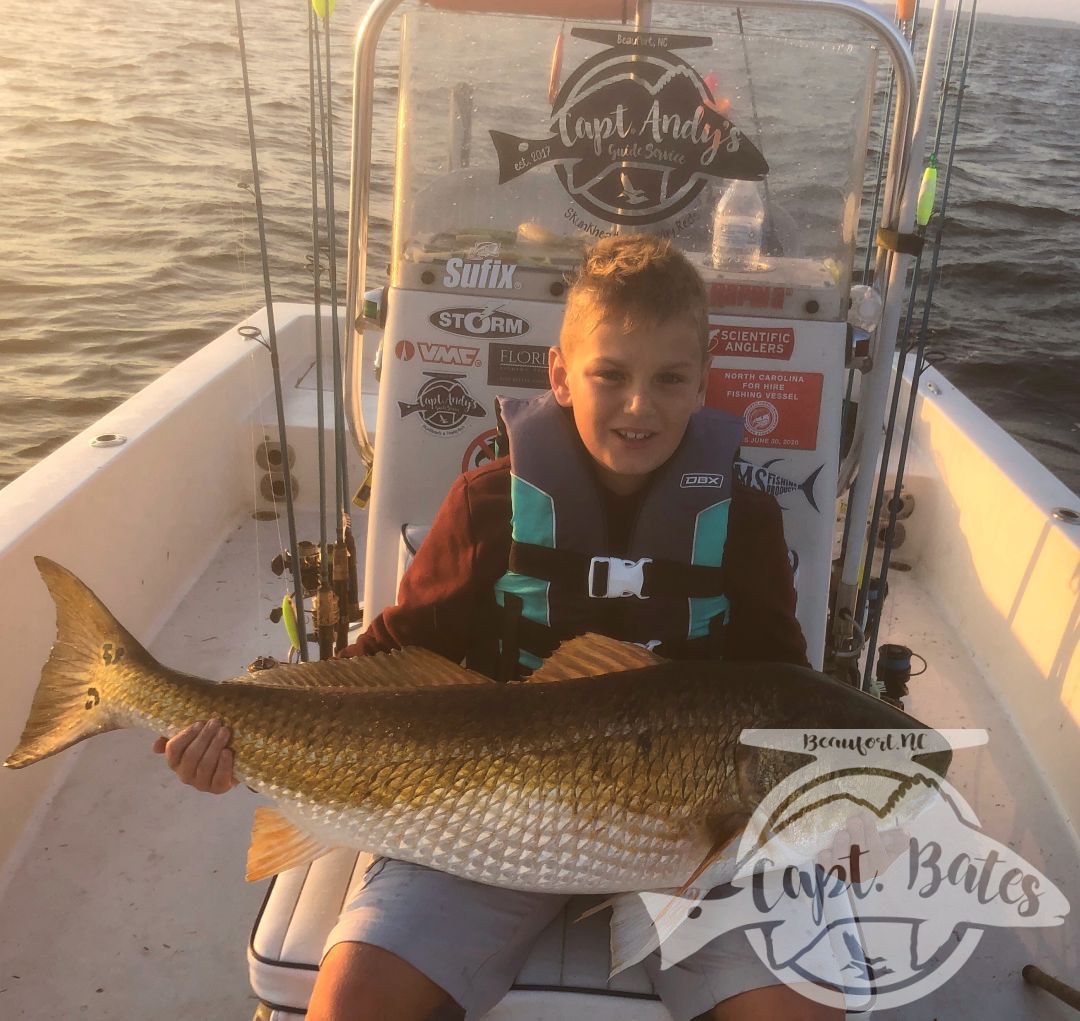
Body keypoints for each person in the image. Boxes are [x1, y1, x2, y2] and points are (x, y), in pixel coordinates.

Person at [155, 235, 839, 1021]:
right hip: (485, 822)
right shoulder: (488, 503)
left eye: (669, 379)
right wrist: (239, 724)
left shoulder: (745, 521)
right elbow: (388, 660)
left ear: (701, 388)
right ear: (559, 376)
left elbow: (787, 694)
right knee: (354, 1002)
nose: (639, 404)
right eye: (609, 375)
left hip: (699, 831)